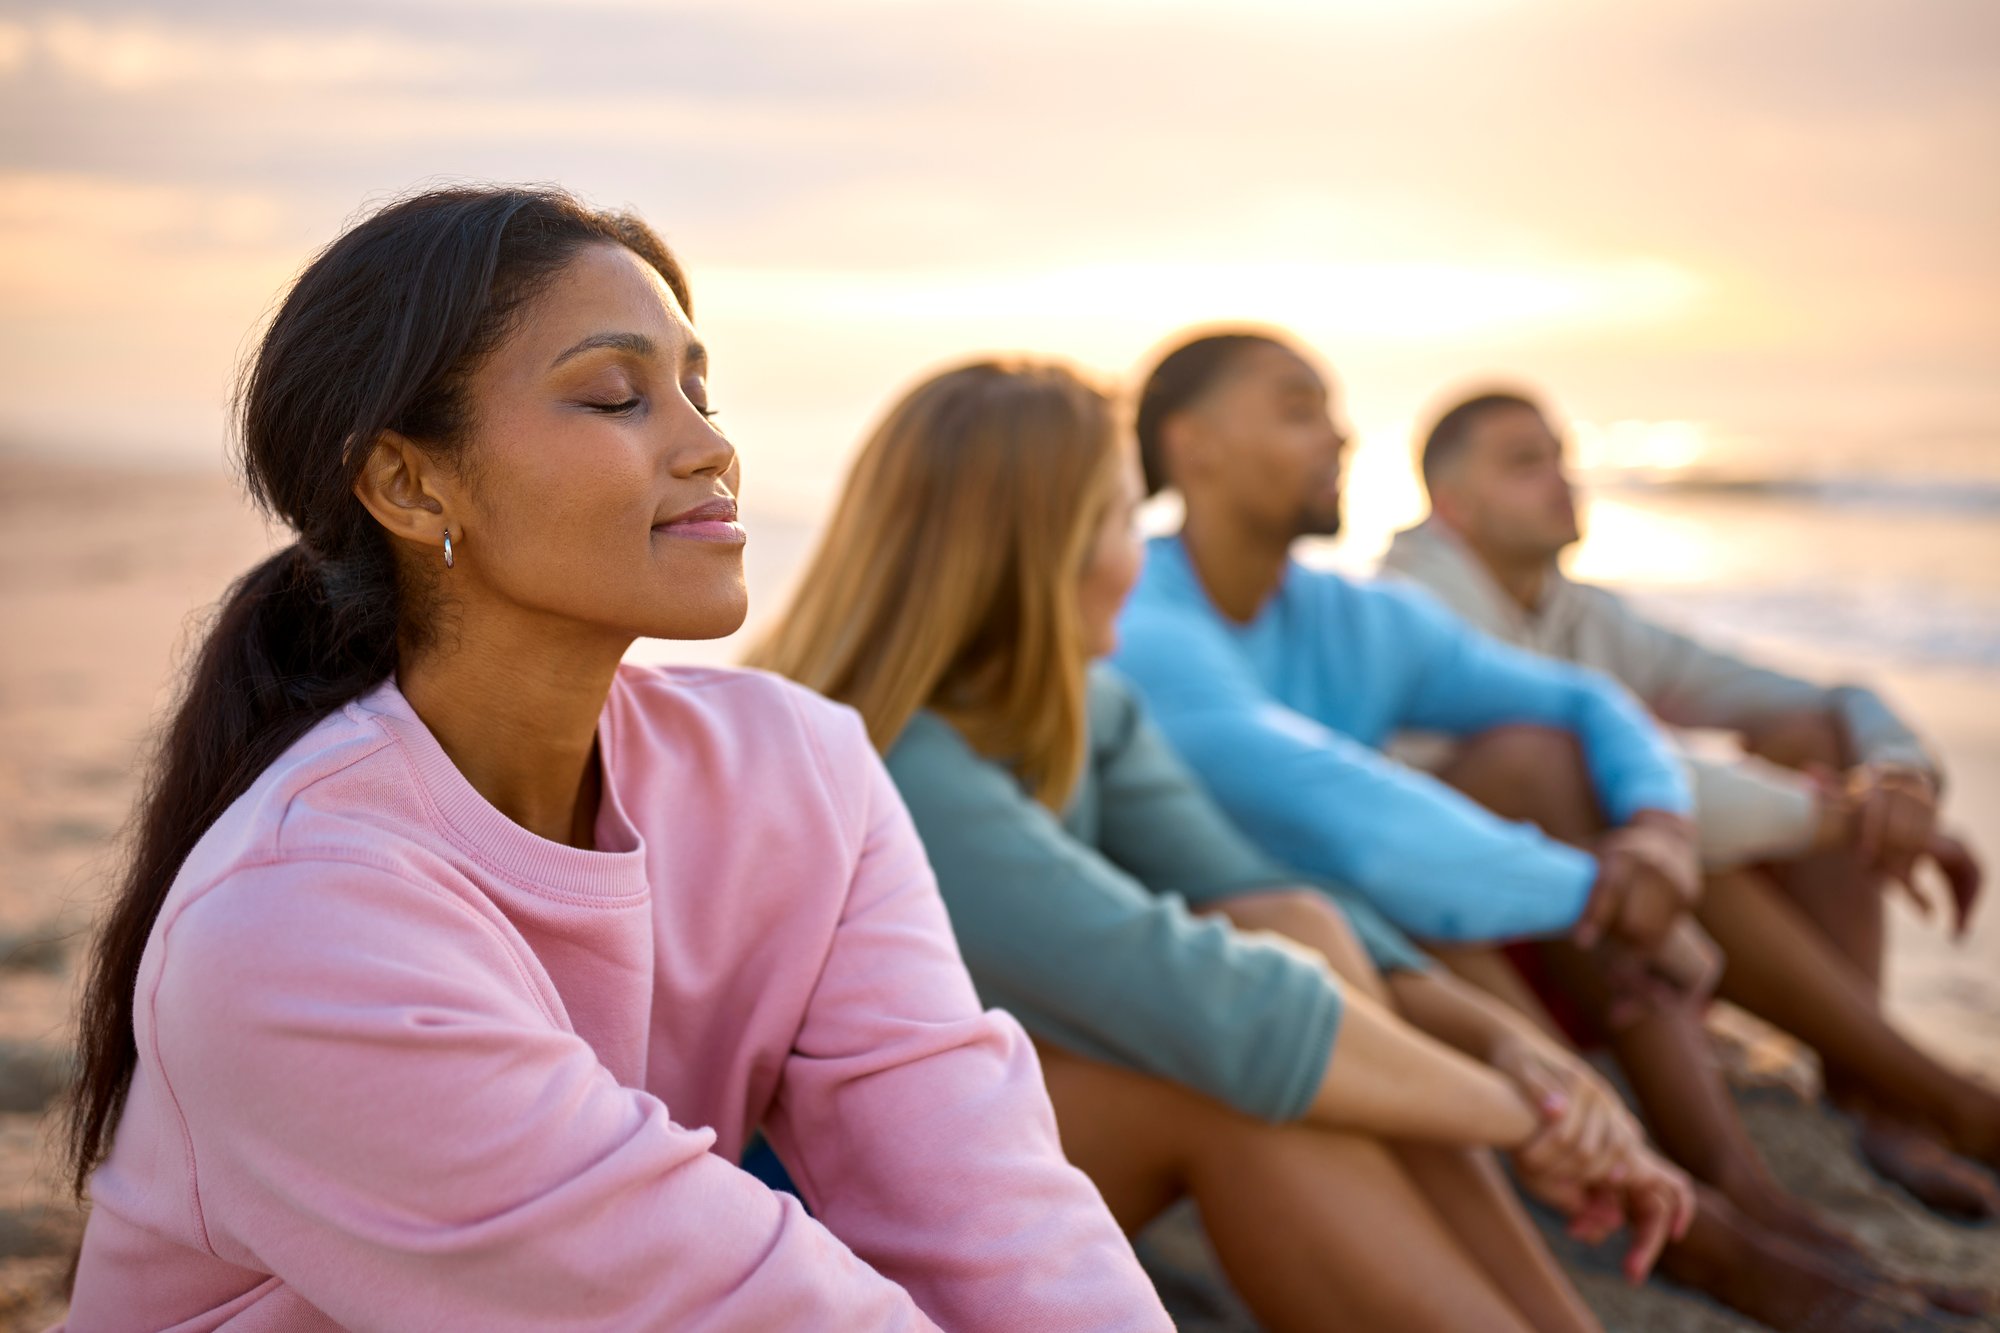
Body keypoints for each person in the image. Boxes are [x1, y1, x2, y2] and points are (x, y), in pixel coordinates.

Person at [58, 187, 1169, 1331]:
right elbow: (741, 1308)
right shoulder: (297, 920)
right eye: (614, 396)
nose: (711, 447)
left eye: (699, 391)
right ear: (408, 484)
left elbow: (985, 1200)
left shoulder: (798, 767)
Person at [752, 356, 1776, 1333]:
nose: (1139, 558)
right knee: (1225, 1089)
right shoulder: (898, 758)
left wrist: (1519, 1052)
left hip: (971, 1125)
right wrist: (1526, 1113)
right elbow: (1187, 992)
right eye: (1120, 520)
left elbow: (1262, 891)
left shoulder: (1090, 710)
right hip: (816, 1206)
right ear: (1034, 552)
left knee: (1293, 920)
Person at [1111, 327, 1980, 1325]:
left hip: (1399, 946)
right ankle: (1714, 1216)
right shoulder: (1141, 615)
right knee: (1395, 879)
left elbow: (1583, 698)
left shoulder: (1351, 616)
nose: (1341, 436)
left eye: (1336, 412)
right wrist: (1604, 890)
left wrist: (1657, 831)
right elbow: (1344, 812)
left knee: (1530, 773)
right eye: (1298, 409)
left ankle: (1742, 1184)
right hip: (1238, 973)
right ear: (1191, 443)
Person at [1380, 386, 1998, 1220]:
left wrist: (1899, 775)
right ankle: (1905, 1111)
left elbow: (1817, 695)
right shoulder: (1411, 607)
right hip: (1487, 962)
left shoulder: (1577, 612)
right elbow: (1605, 786)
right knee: (1601, 797)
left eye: (1562, 457)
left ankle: (1877, 1094)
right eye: (1525, 463)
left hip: (1615, 931)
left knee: (1809, 735)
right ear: (1451, 504)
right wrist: (1841, 817)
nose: (1562, 479)